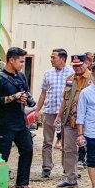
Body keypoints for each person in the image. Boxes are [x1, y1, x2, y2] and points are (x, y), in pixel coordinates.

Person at [56, 54, 95, 188]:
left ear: (87, 64)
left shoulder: (93, 79)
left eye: (80, 65)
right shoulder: (70, 79)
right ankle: (71, 179)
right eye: (74, 65)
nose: (77, 67)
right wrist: (59, 115)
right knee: (69, 150)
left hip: (88, 122)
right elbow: (65, 99)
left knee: (91, 150)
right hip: (70, 120)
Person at [0, 47, 36, 188]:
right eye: (20, 61)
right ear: (11, 60)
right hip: (4, 123)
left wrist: (24, 99)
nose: (22, 64)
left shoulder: (21, 76)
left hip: (20, 121)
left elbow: (25, 92)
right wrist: (14, 97)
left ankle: (22, 183)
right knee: (2, 155)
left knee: (27, 150)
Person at [32, 48, 73, 179]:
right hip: (49, 111)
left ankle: (67, 168)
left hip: (66, 113)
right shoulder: (47, 73)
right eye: (51, 57)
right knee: (47, 141)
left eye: (53, 57)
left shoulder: (71, 73)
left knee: (66, 142)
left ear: (62, 59)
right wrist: (37, 110)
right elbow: (43, 93)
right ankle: (46, 167)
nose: (51, 60)